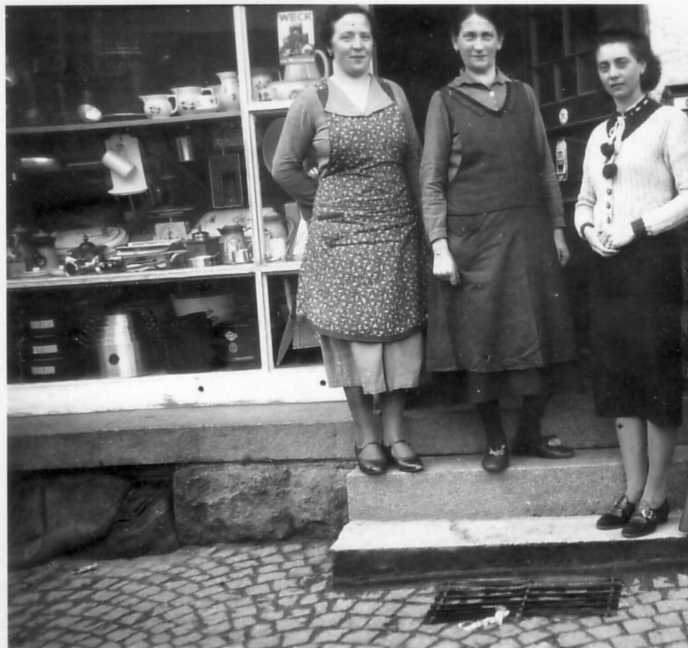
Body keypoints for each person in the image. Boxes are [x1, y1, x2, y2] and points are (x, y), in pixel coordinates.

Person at [420, 5, 577, 474]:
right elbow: (431, 180)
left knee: (540, 331)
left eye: (486, 35)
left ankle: (529, 431)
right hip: (472, 241)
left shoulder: (523, 95)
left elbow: (545, 168)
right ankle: (495, 440)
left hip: (529, 233)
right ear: (455, 43)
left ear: (500, 40)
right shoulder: (444, 101)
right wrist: (439, 244)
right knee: (480, 337)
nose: (478, 45)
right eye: (469, 36)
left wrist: (557, 227)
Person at [272, 5, 426, 475]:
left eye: (364, 35)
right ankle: (366, 435)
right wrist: (323, 202)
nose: (358, 44)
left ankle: (395, 432)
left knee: (401, 336)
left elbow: (414, 162)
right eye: (347, 36)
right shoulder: (312, 99)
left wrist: (427, 225)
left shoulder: (394, 94)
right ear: (329, 46)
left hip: (396, 232)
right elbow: (284, 167)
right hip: (340, 240)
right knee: (347, 337)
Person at [575, 27, 688, 537]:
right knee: (618, 375)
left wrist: (635, 228)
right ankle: (632, 490)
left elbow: (687, 195)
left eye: (621, 63)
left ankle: (657, 496)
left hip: (652, 264)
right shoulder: (599, 133)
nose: (613, 74)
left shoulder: (669, 122)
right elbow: (584, 200)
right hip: (608, 269)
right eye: (604, 66)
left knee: (654, 376)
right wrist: (587, 231)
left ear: (642, 64)